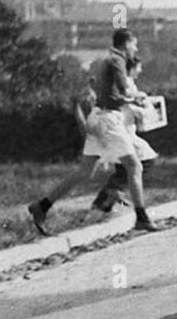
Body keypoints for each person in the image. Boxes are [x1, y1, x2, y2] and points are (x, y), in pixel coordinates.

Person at [28, 29, 159, 234]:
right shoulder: (118, 60)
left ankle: (42, 206)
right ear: (126, 44)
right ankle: (141, 217)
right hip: (109, 120)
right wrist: (137, 97)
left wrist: (129, 98)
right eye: (135, 44)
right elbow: (124, 90)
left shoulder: (108, 59)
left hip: (99, 116)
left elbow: (110, 94)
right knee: (134, 166)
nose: (136, 48)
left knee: (85, 171)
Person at [93, 56, 159, 213]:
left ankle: (102, 204)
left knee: (124, 166)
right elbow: (127, 106)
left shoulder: (126, 83)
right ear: (132, 67)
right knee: (147, 159)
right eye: (138, 67)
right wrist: (146, 109)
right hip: (122, 131)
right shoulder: (126, 84)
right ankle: (113, 191)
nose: (140, 71)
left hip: (120, 129)